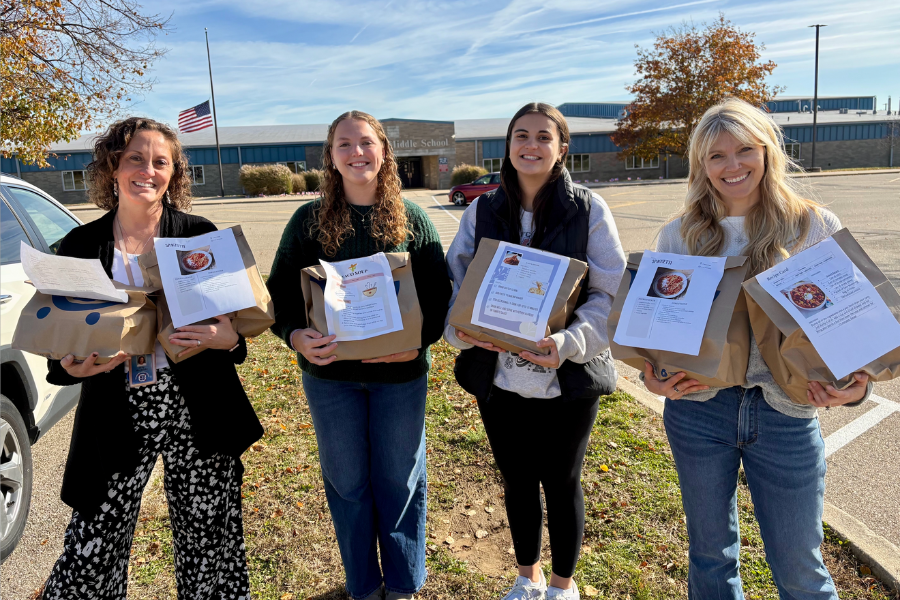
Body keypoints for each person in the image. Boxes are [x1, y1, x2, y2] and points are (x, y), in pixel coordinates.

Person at [645, 97, 873, 599]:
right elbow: (655, 339)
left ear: (768, 151)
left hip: (788, 412)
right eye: (716, 156)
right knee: (710, 557)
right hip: (698, 411)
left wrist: (855, 390)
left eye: (745, 149)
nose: (733, 166)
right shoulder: (679, 235)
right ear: (700, 166)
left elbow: (857, 326)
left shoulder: (814, 227)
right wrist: (650, 374)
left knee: (800, 568)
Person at [40, 117, 263, 600]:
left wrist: (227, 339)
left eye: (161, 161)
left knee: (210, 540)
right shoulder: (81, 247)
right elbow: (58, 342)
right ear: (112, 166)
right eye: (135, 158)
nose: (148, 170)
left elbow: (236, 335)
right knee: (93, 542)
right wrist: (69, 366)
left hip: (198, 406)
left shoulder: (199, 237)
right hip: (116, 408)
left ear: (174, 172)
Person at [444, 102, 626, 600]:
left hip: (566, 377)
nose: (531, 145)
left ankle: (563, 587)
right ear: (507, 146)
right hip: (499, 378)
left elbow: (608, 292)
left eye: (544, 136)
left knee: (563, 482)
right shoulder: (483, 209)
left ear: (562, 148)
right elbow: (455, 282)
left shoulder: (588, 208)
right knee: (517, 480)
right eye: (520, 135)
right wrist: (463, 332)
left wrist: (569, 343)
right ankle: (528, 577)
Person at [267, 111, 451, 600]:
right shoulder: (307, 220)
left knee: (399, 478)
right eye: (344, 144)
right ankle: (364, 585)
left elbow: (439, 296)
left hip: (401, 377)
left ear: (383, 150)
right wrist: (294, 336)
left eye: (366, 143)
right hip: (331, 379)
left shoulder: (414, 220)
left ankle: (404, 583)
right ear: (330, 156)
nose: (357, 153)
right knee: (347, 481)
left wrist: (419, 342)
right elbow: (279, 293)